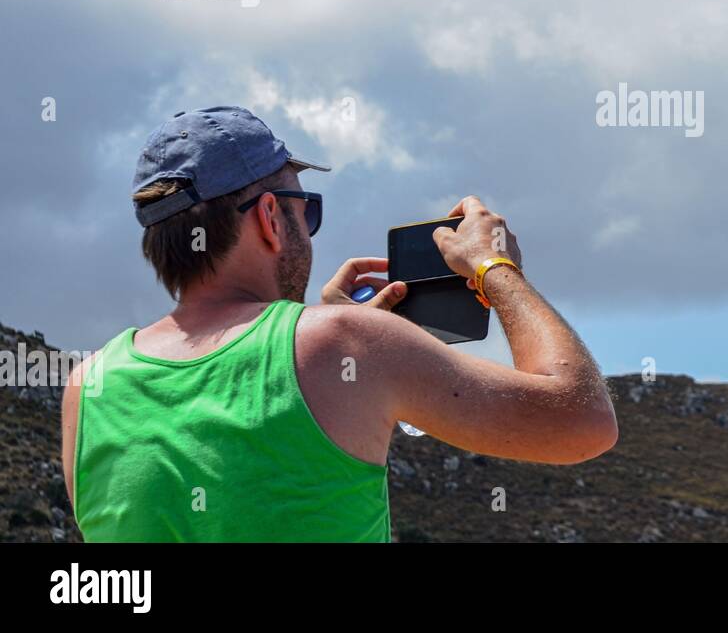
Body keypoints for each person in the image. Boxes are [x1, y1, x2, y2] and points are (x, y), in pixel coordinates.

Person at [60, 105, 617, 542]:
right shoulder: (342, 341)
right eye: (309, 210)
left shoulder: (87, 386)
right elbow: (584, 420)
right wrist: (495, 267)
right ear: (271, 218)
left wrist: (338, 355)